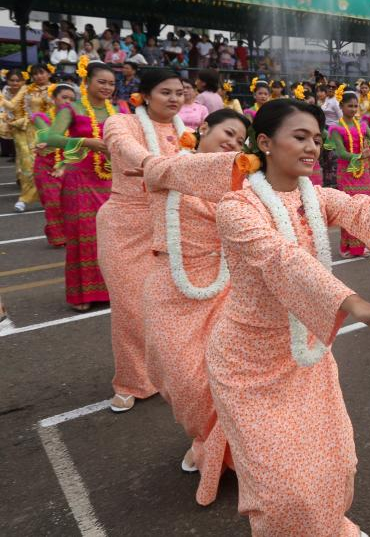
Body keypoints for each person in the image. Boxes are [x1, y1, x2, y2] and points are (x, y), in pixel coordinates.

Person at [207, 98, 370, 536]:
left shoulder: (315, 197)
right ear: (263, 142)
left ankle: (325, 526)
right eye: (300, 137)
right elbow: (282, 260)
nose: (313, 147)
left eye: (318, 139)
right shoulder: (236, 208)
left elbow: (362, 208)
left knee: (333, 467)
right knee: (280, 492)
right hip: (247, 364)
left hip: (305, 357)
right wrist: (357, 306)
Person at [138, 109, 251, 504]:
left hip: (224, 288)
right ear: (203, 128)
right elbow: (154, 171)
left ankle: (226, 452)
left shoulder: (239, 182)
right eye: (228, 133)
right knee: (180, 378)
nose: (233, 144)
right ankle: (206, 438)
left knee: (221, 377)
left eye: (240, 142)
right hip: (170, 286)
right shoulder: (166, 166)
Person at [97, 68, 187, 412]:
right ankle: (131, 381)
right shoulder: (120, 123)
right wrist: (155, 165)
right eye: (166, 92)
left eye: (180, 92)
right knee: (129, 306)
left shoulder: (187, 132)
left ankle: (169, 372)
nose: (175, 99)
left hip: (170, 223)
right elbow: (125, 148)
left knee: (169, 304)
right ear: (146, 95)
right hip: (124, 223)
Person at [39, 65, 122, 311]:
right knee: (82, 236)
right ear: (87, 82)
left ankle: (108, 291)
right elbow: (49, 138)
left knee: (109, 237)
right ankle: (82, 295)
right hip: (79, 180)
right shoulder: (71, 109)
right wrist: (85, 142)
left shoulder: (118, 110)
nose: (107, 88)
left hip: (109, 178)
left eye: (111, 83)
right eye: (102, 82)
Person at [330, 91, 370, 258]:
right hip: (347, 173)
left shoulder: (362, 125)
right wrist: (360, 156)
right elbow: (341, 153)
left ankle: (360, 247)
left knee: (363, 209)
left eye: (355, 106)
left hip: (362, 173)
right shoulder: (336, 128)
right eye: (349, 106)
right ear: (341, 106)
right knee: (349, 209)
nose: (352, 109)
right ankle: (346, 247)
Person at [32, 81, 78, 247]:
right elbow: (47, 138)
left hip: (67, 164)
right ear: (53, 99)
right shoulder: (40, 117)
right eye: (64, 97)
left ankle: (68, 233)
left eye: (72, 99)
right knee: (53, 203)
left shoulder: (75, 120)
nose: (68, 102)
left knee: (70, 204)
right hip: (46, 166)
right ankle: (58, 237)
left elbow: (76, 142)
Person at [1, 65, 51, 211]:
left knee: (48, 165)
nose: (38, 77)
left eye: (41, 73)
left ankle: (49, 196)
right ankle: (25, 198)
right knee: (27, 164)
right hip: (28, 129)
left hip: (49, 130)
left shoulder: (56, 89)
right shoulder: (28, 89)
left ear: (48, 73)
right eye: (35, 74)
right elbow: (18, 108)